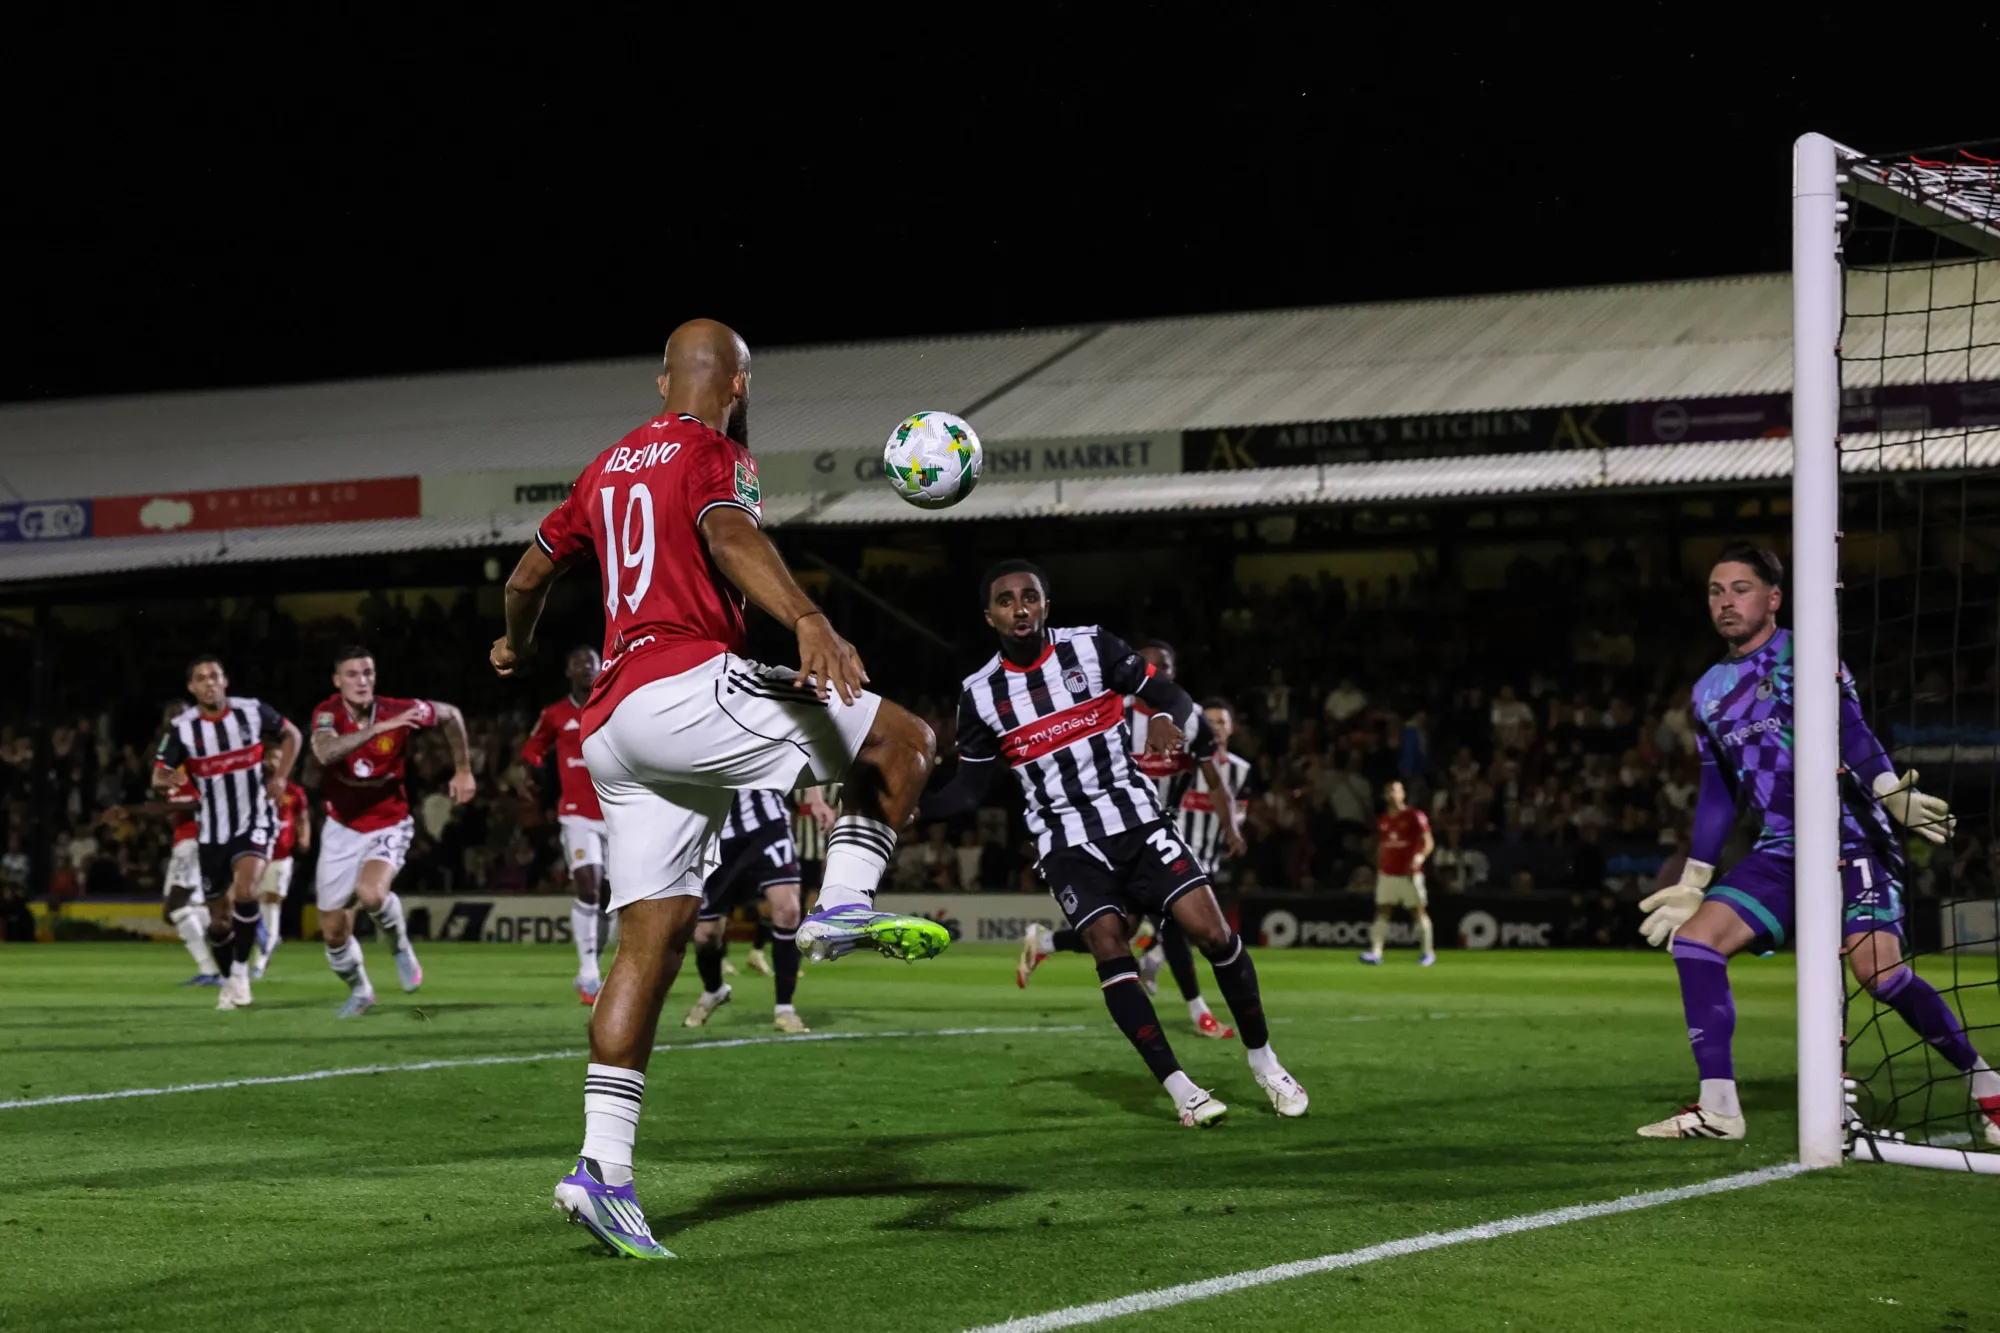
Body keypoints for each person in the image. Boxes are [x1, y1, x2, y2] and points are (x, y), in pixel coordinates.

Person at [490, 318, 947, 1260]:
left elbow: (529, 573)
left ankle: (601, 1171)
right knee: (904, 738)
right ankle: (844, 904)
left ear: (663, 380)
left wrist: (515, 645)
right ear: (737, 387)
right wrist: (810, 617)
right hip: (682, 684)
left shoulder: (604, 465)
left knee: (646, 950)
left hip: (613, 727)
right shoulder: (710, 455)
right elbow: (728, 531)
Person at [922, 559, 1307, 1127]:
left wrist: (1165, 721)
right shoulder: (980, 695)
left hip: (1137, 821)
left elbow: (1172, 694)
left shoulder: (1093, 648)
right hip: (1066, 843)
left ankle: (1265, 1061)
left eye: (1030, 596)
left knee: (1213, 932)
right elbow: (968, 790)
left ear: (1046, 606)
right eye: (1006, 600)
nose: (1020, 607)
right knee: (1110, 945)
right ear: (990, 616)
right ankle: (1182, 1091)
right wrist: (908, 810)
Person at [1635, 544, 1999, 1143]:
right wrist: (1695, 878)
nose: (1726, 602)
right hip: (1783, 849)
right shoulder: (1708, 692)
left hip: (1851, 835)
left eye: (1741, 588)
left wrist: (1888, 790)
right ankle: (1719, 1109)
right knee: (1696, 943)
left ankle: (1988, 1087)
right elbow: (1719, 787)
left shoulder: (1804, 654)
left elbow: (1850, 727)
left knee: (1877, 973)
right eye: (1715, 591)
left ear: (1773, 598)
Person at [1017, 640, 1243, 1042]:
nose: (1162, 673)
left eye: (1168, 665)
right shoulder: (1109, 711)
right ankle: (1199, 1011)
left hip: (1160, 831)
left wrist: (1231, 829)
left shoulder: (1188, 719)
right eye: (1153, 665)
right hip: (1110, 834)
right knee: (1155, 924)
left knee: (1131, 927)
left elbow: (1216, 783)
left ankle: (1046, 940)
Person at [311, 646, 475, 1017]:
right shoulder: (327, 714)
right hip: (341, 829)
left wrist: (463, 769)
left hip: (389, 823)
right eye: (352, 674)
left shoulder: (397, 708)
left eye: (368, 673)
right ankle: (360, 990)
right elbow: (325, 752)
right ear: (337, 682)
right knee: (334, 932)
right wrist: (378, 729)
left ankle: (400, 947)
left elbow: (450, 715)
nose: (362, 680)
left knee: (371, 894)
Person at [151, 657, 302, 1011]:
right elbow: (158, 773)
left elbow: (293, 733)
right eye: (201, 679)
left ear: (225, 681)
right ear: (192, 688)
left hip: (255, 821)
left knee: (246, 892)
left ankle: (240, 973)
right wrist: (165, 779)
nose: (209, 684)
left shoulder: (251, 711)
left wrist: (280, 775)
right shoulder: (182, 728)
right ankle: (230, 975)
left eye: (214, 677)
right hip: (212, 832)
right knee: (219, 922)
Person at [522, 645, 613, 1004]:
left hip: (615, 813)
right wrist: (531, 771)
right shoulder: (555, 714)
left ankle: (597, 961)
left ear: (600, 668)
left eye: (590, 663)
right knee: (588, 886)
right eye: (578, 663)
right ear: (568, 671)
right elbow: (533, 747)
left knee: (609, 895)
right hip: (575, 813)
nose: (585, 668)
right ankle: (588, 972)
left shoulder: (613, 705)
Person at [682, 790, 810, 1034]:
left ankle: (785, 1009)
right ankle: (714, 991)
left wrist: (814, 797)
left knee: (789, 909)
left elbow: (805, 751)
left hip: (767, 821)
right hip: (715, 834)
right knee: (705, 934)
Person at [1359, 779, 1435, 966]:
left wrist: (1420, 858)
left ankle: (1427, 953)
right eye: (1390, 791)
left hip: (1409, 874)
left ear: (1403, 794)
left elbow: (1429, 842)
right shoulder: (1383, 820)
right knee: (1382, 911)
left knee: (1417, 911)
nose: (1393, 794)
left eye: (1396, 791)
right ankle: (1376, 952)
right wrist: (1379, 866)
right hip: (1387, 874)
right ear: (1385, 796)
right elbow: (1383, 846)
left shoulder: (1415, 816)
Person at [249, 776, 310, 979]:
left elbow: (302, 817)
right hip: (255, 855)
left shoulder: (294, 791)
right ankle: (268, 937)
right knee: (251, 900)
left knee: (271, 901)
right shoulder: (254, 788)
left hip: (281, 856)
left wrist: (304, 835)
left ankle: (260, 962)